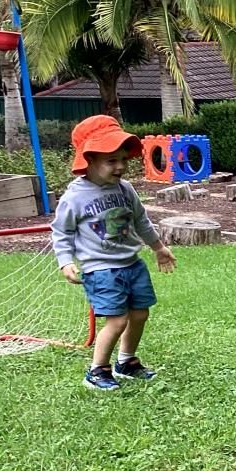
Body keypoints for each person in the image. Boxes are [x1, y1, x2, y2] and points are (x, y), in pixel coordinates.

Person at [51, 115, 176, 391]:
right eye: (111, 161)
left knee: (140, 314)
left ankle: (126, 362)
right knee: (117, 320)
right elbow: (61, 232)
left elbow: (141, 220)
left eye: (123, 159)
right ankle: (97, 371)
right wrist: (65, 262)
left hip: (132, 263)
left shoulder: (126, 189)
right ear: (90, 160)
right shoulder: (75, 197)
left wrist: (158, 247)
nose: (120, 166)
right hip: (101, 269)